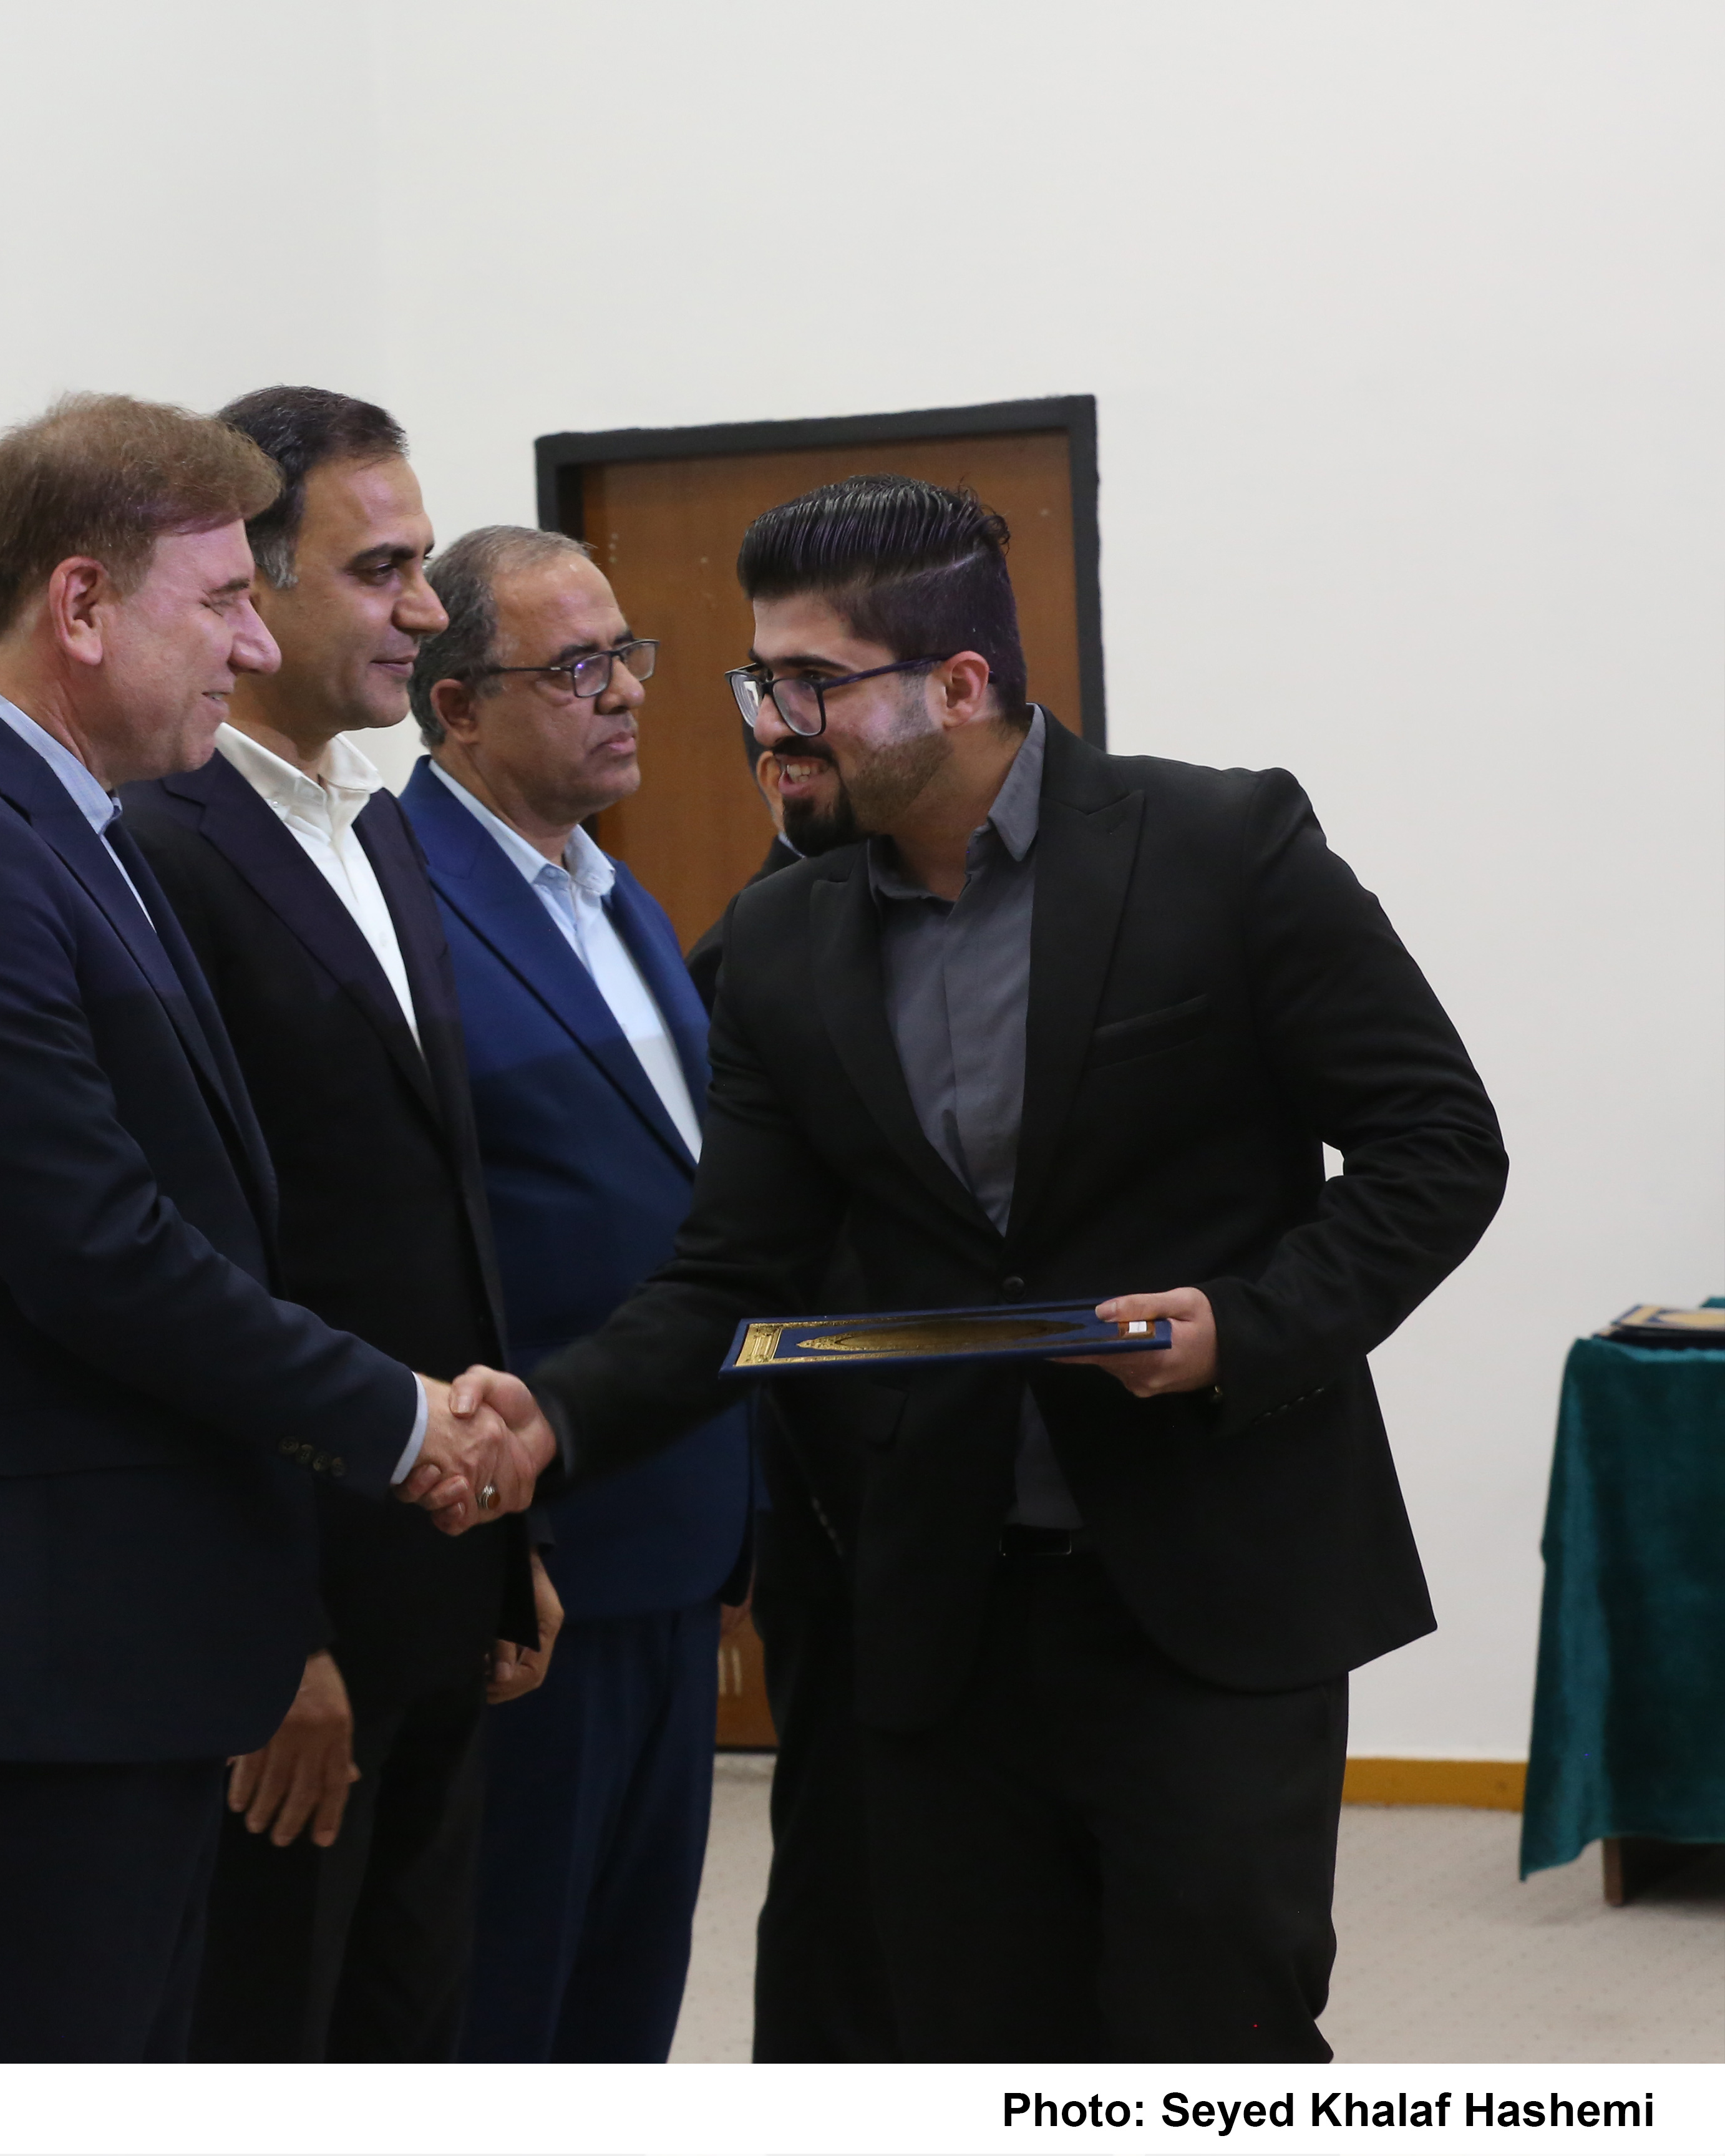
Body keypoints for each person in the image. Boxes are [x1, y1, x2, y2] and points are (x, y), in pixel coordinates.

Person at [458, 475, 1509, 2061]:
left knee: (1216, 2041)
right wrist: (553, 1419)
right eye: (758, 679)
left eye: (811, 682)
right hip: (938, 1613)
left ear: (958, 685)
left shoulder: (1221, 846)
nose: (769, 723)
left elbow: (1439, 1145)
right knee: (972, 2049)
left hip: (1213, 1588)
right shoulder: (783, 939)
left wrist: (1245, 1329)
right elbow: (728, 1276)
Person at [0, 392, 520, 2063]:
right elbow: (101, 1253)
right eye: (224, 600)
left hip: (120, 1644)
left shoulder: (65, 825)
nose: (252, 643)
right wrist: (404, 1421)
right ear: (83, 606)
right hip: (33, 1657)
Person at [116, 386, 542, 2062]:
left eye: (422, 565)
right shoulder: (160, 849)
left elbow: (431, 1205)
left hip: (436, 1558)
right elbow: (195, 1266)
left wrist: (505, 1534)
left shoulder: (380, 828)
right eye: (381, 571)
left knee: (412, 2033)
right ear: (253, 583)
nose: (427, 612)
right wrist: (273, 1633)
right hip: (299, 1615)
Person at [396, 526, 754, 2062]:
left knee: (625, 2002)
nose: (625, 694)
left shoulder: (619, 899)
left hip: (674, 1536)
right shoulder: (399, 904)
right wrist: (502, 1549)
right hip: (532, 1556)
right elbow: (409, 1253)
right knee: (507, 2012)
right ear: (458, 707)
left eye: (629, 657)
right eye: (576, 668)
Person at [686, 733, 899, 2064]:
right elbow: (720, 1261)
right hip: (838, 1472)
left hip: (1011, 1475)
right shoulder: (751, 948)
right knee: (849, 1861)